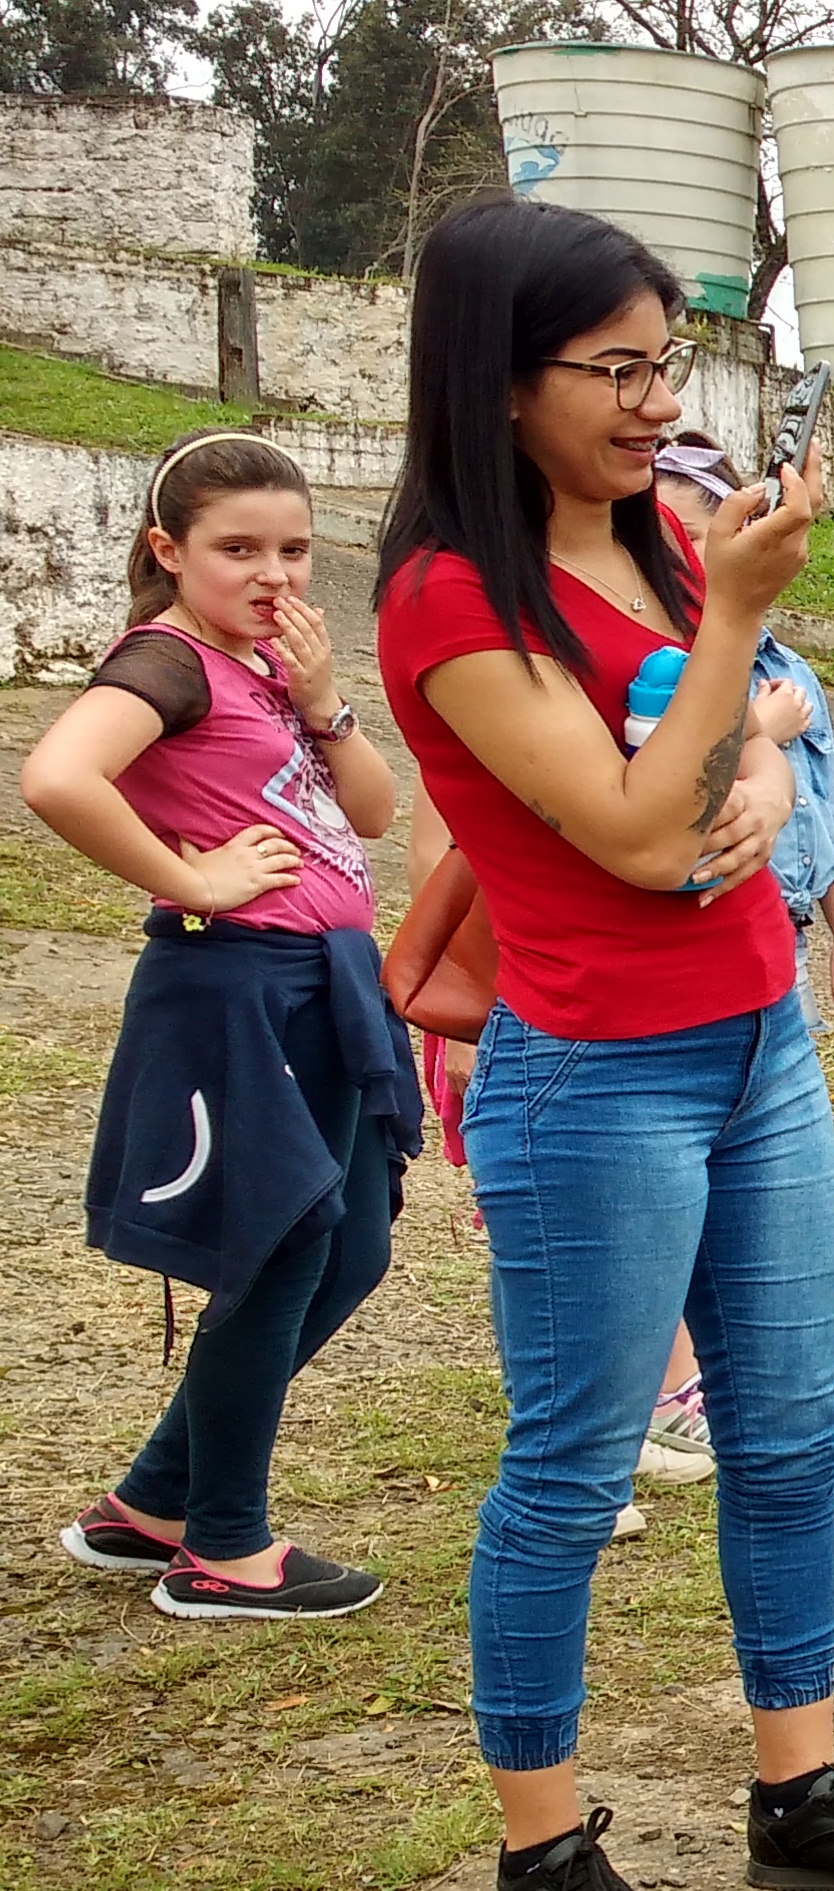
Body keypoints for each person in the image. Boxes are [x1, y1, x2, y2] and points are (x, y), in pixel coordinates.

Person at [376, 194, 834, 1891]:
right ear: (495, 381)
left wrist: (777, 763)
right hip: (592, 1078)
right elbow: (635, 827)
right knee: (566, 1473)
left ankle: (799, 1787)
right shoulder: (447, 597)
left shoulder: (654, 543)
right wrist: (740, 640)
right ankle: (542, 1847)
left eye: (666, 365)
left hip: (756, 1043)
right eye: (614, 370)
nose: (653, 405)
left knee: (790, 1436)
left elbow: (754, 724)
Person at [22, 428, 408, 1619]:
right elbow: (57, 777)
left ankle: (153, 1502)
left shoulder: (264, 669)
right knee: (284, 1247)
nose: (272, 575)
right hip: (242, 985)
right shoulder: (169, 661)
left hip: (322, 980)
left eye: (292, 550)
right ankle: (225, 1545)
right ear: (168, 550)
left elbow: (379, 814)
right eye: (237, 548)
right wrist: (190, 880)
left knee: (350, 1246)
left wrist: (327, 701)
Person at [632, 433, 834, 1482]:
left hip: (781, 937)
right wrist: (746, 728)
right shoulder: (650, 659)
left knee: (759, 1182)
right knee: (670, 1186)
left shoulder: (792, 668)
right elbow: (651, 813)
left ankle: (749, 1372)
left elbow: (825, 805)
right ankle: (670, 1386)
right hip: (678, 952)